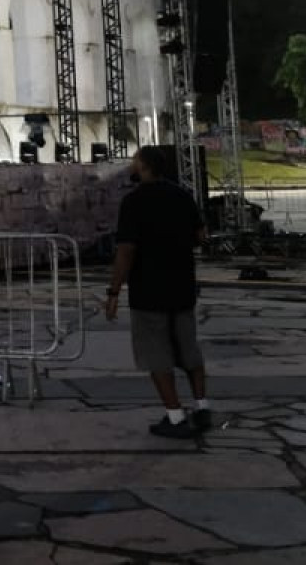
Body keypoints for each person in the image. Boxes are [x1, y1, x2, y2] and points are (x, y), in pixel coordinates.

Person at [104, 144, 210, 440]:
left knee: (156, 355)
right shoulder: (182, 195)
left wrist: (113, 292)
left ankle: (175, 417)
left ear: (143, 166)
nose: (131, 166)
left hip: (149, 288)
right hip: (182, 284)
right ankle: (202, 407)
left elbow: (126, 250)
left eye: (134, 161)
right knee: (188, 348)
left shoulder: (133, 202)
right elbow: (201, 235)